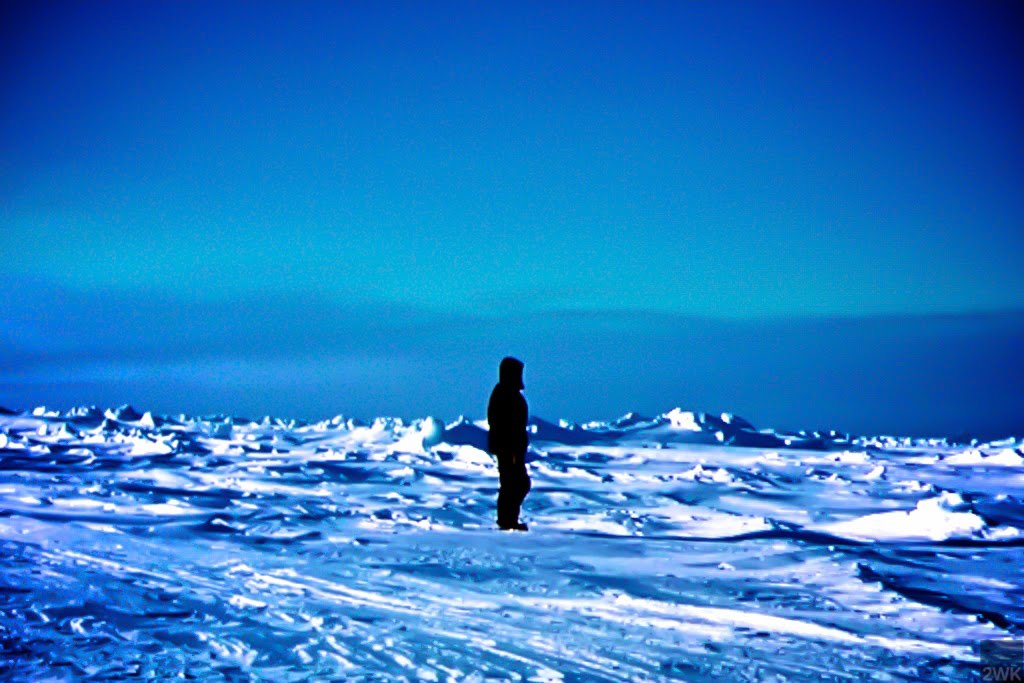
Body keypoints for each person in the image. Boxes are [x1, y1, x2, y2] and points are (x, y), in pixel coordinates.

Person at [487, 356, 531, 531]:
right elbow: (502, 424)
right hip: (508, 447)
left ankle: (509, 519)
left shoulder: (508, 393)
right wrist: (511, 446)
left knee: (516, 482)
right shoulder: (504, 394)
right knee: (514, 483)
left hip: (513, 447)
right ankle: (506, 521)